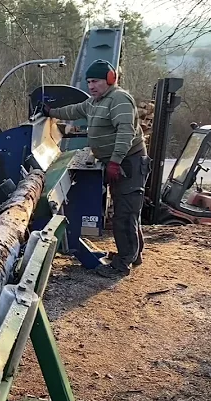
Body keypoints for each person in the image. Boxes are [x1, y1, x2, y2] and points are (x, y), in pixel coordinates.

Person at [42, 59, 151, 278]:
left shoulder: (119, 99)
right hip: (118, 163)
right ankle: (133, 254)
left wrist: (115, 161)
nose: (91, 86)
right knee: (128, 211)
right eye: (89, 81)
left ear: (110, 80)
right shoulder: (94, 102)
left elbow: (125, 132)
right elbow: (74, 110)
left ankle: (122, 265)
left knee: (125, 213)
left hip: (129, 162)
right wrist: (50, 111)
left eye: (96, 81)